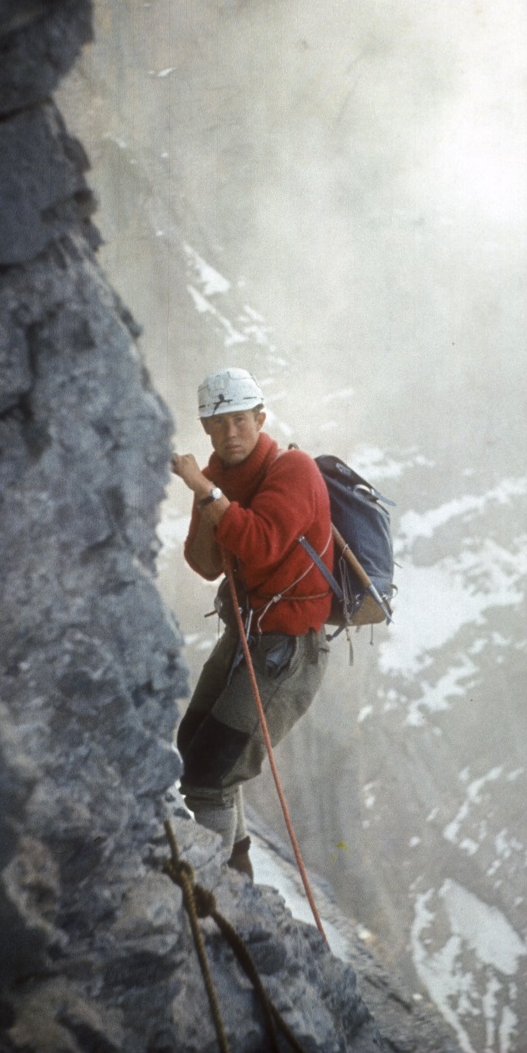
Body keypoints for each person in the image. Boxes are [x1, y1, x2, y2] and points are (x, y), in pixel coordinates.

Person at [171, 367, 333, 879]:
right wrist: (207, 493)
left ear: (261, 419)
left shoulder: (295, 470)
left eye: (240, 420)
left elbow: (262, 542)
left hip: (290, 646)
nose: (230, 434)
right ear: (205, 429)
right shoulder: (219, 476)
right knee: (194, 742)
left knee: (210, 772)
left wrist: (204, 487)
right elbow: (207, 565)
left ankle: (220, 890)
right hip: (249, 631)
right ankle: (236, 861)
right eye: (217, 425)